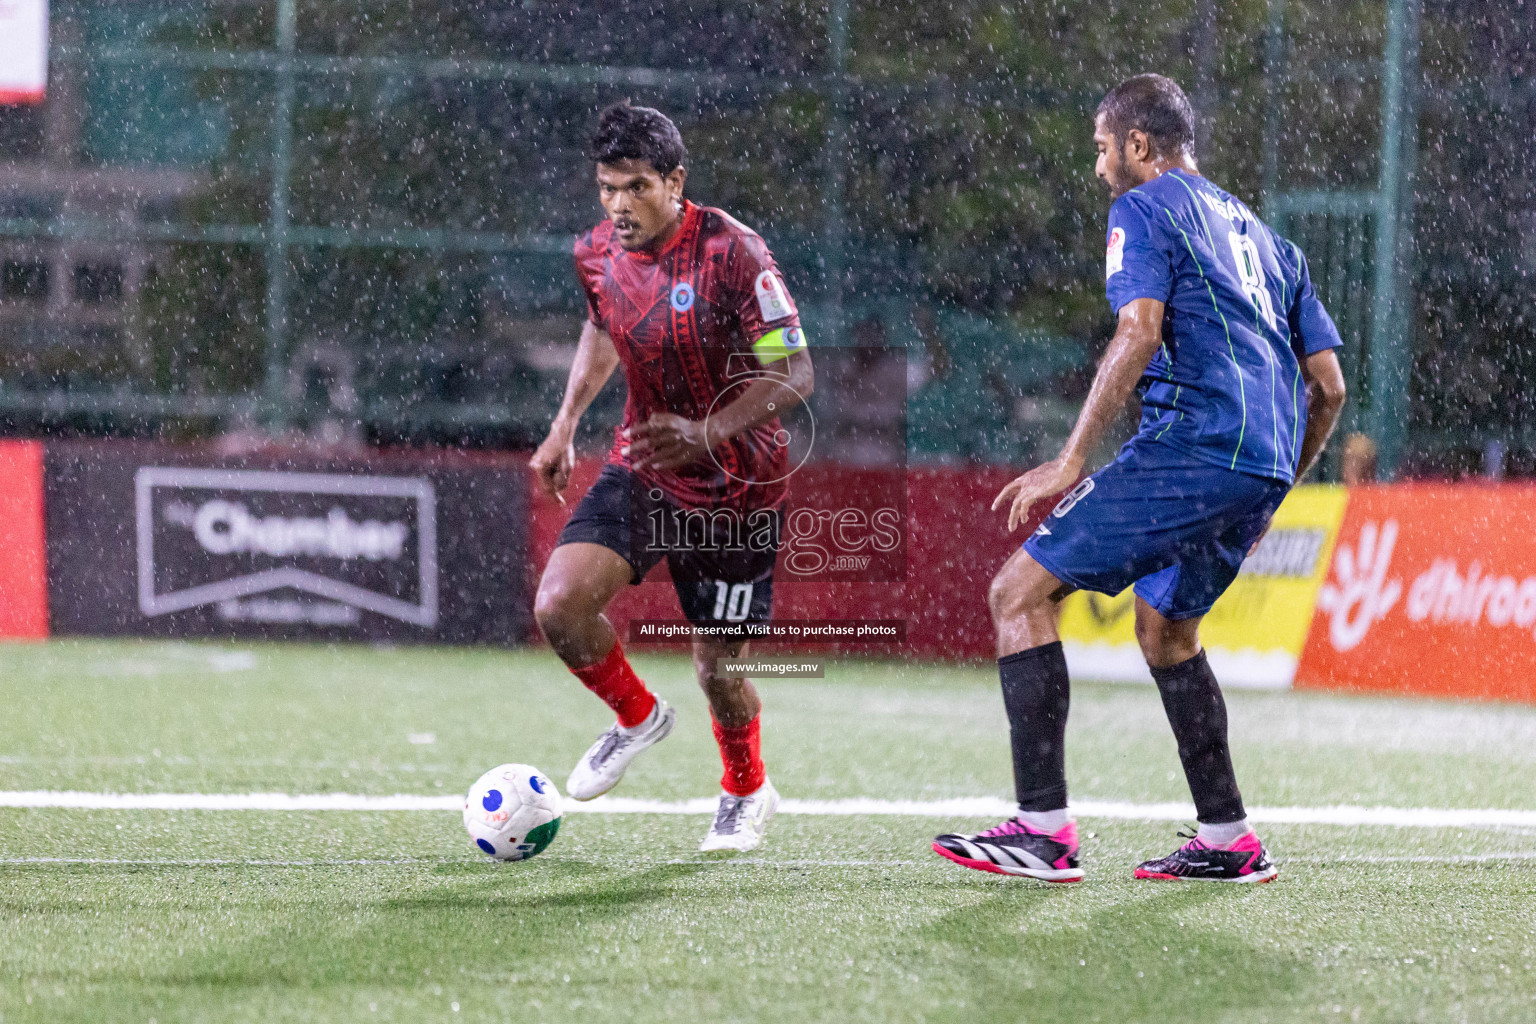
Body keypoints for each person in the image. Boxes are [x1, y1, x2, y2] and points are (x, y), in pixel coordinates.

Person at [933, 74, 1347, 883]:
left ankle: (1041, 832)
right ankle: (1230, 839)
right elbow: (1327, 387)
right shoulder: (1271, 240)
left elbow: (1139, 329)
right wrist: (1275, 487)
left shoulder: (1146, 208)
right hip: (1259, 460)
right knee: (1167, 633)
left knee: (1016, 594)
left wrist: (1071, 455)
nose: (1097, 169)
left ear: (1138, 146)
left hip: (1193, 444)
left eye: (1100, 149)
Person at [530, 102, 814, 852]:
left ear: (675, 181)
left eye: (635, 187)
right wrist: (564, 425)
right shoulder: (595, 253)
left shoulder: (733, 251)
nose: (618, 205)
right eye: (606, 187)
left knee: (717, 668)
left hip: (737, 488)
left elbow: (797, 372)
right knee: (559, 606)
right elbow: (601, 326)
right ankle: (635, 717)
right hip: (645, 466)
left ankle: (747, 791)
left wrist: (709, 431)